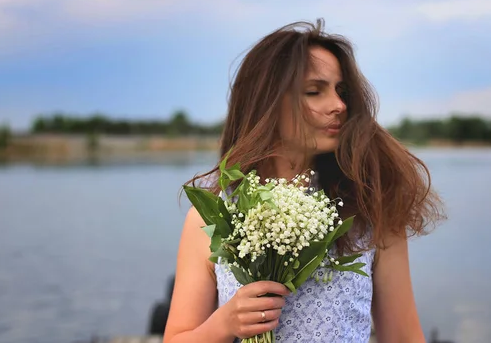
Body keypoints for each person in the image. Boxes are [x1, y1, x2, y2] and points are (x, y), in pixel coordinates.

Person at [163, 19, 444, 343]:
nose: (338, 105)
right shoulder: (213, 217)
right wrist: (223, 324)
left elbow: (404, 338)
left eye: (341, 91)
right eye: (314, 91)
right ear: (266, 102)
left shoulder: (370, 211)